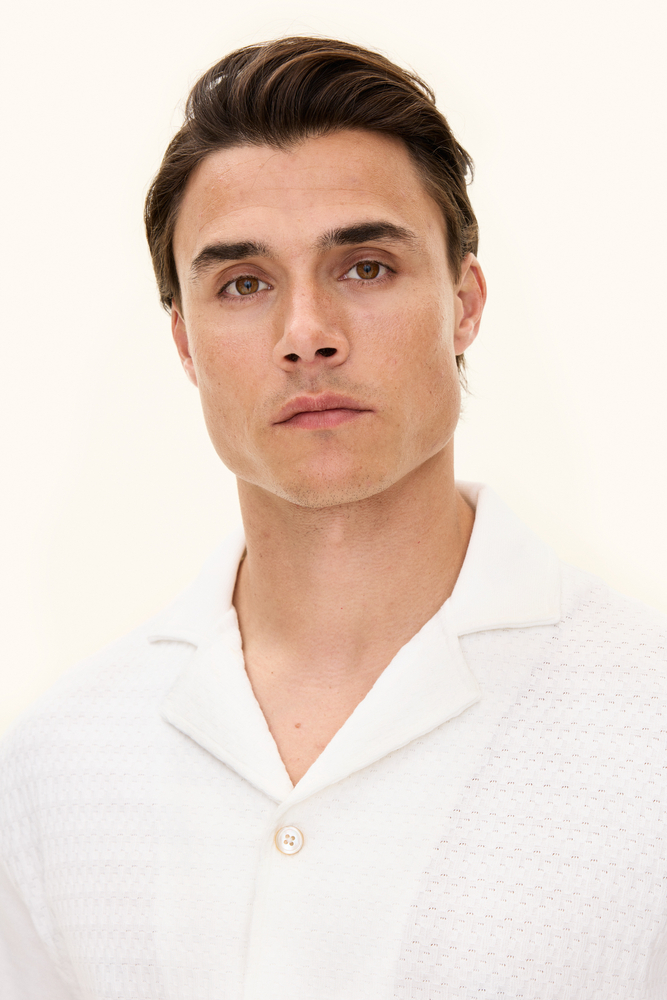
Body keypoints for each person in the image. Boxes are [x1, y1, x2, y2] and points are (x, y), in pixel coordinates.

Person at [1, 35, 665, 1000]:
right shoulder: (58, 768)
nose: (306, 334)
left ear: (463, 303)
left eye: (365, 267)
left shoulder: (646, 731)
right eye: (243, 283)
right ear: (184, 343)